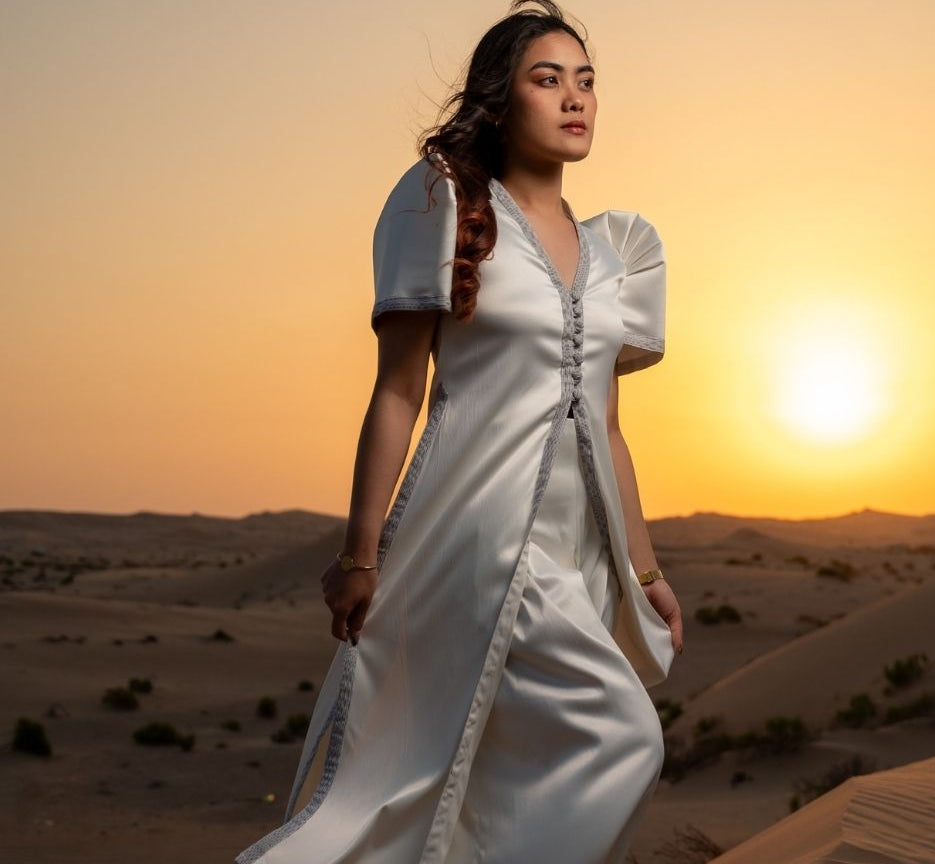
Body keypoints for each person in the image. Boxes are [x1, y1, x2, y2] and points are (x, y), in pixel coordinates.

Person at [234, 2, 683, 862]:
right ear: (499, 100)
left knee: (497, 775)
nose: (574, 98)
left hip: (580, 553)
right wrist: (361, 554)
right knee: (628, 738)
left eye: (585, 81)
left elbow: (610, 428)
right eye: (546, 79)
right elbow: (398, 392)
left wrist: (645, 567)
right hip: (481, 535)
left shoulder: (621, 249)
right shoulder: (444, 201)